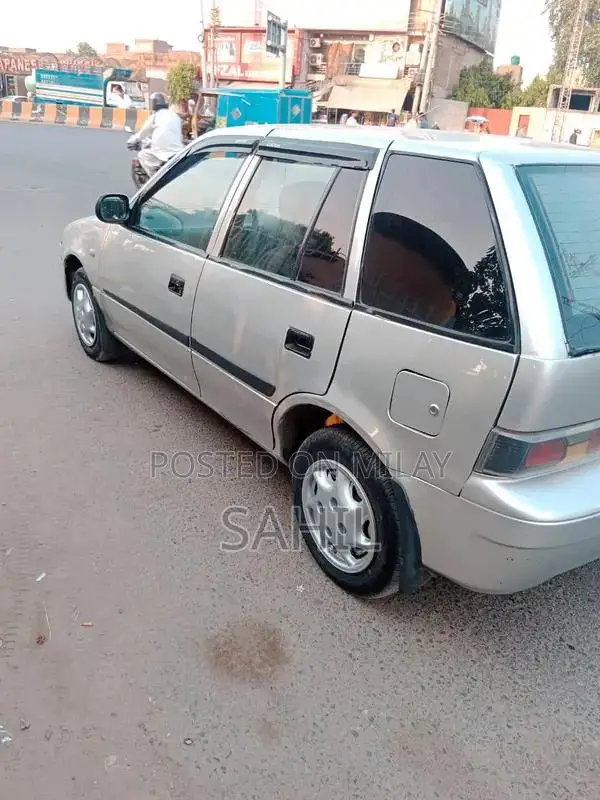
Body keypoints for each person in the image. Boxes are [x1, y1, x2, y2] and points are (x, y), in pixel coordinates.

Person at [128, 92, 184, 179]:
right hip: (177, 151)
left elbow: (143, 132)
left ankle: (154, 181)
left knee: (142, 154)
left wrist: (132, 140)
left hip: (162, 152)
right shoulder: (175, 116)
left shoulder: (155, 116)